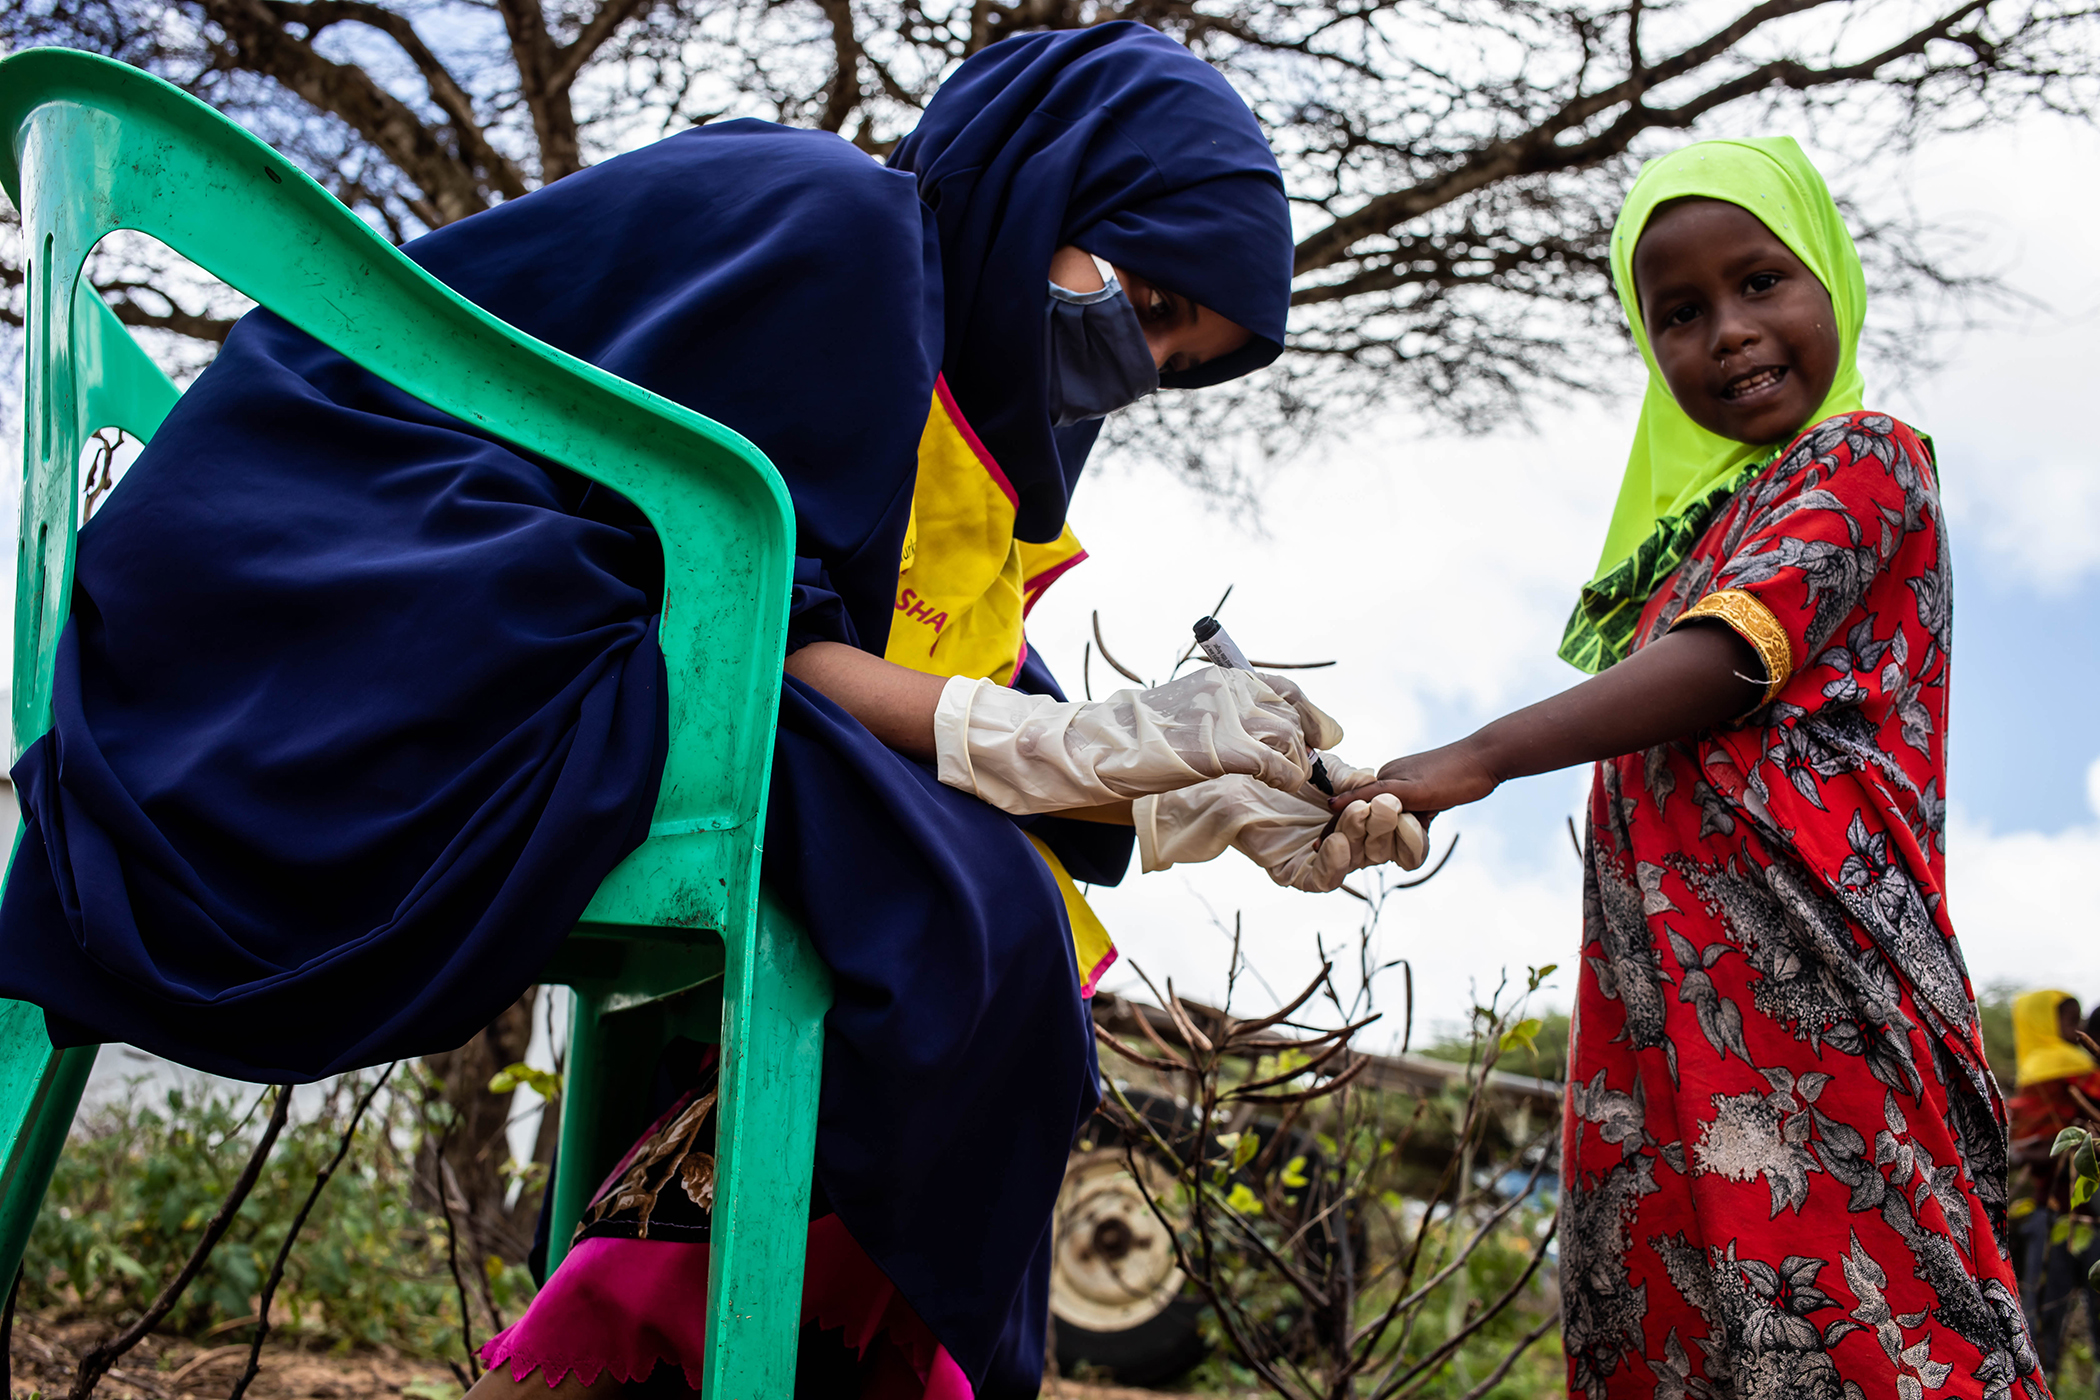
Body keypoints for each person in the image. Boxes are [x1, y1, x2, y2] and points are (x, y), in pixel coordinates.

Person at [0, 22, 1423, 1398]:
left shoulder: (915, 379)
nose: (1140, 365)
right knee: (946, 886)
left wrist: (1191, 796)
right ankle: (673, 1356)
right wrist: (1062, 753)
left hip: (413, 607)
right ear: (1052, 180)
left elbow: (850, 655)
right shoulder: (840, 231)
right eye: (1154, 306)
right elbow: (764, 635)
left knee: (957, 870)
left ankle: (682, 1340)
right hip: (323, 611)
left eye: (1177, 362)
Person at [1336, 138, 2046, 1396]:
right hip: (1662, 1004)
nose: (1729, 331)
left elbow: (1733, 656)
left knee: (1872, 1313)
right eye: (1679, 313)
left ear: (1832, 280)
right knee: (1680, 1324)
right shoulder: (1690, 544)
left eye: (1763, 281)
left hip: (1820, 987)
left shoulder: (1870, 460)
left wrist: (1484, 753)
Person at [2007, 990, 2100, 1382]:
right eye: (2066, 1021)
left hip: (2047, 1212)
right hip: (2080, 1211)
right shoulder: (2074, 1067)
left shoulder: (2033, 1071)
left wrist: (2025, 1152)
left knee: (2040, 1323)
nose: (2075, 1031)